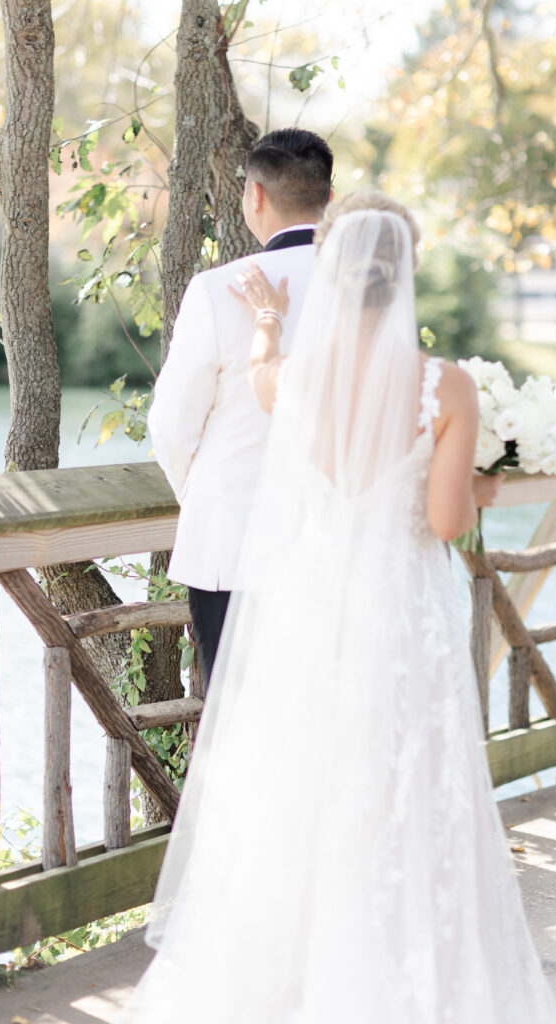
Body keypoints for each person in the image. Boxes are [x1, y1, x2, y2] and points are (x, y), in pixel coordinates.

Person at [125, 193, 556, 1022]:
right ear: (409, 272)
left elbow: (261, 382)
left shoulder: (296, 376)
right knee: (405, 776)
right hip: (402, 604)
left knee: (302, 777)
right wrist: (480, 487)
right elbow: (442, 523)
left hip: (311, 596)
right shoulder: (445, 386)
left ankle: (289, 969)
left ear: (330, 270)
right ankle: (392, 961)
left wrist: (264, 323)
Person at [147, 127, 334, 686]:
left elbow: (173, 425)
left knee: (236, 726)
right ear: (328, 196)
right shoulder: (369, 287)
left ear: (254, 195)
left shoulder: (216, 289)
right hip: (336, 546)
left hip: (235, 544)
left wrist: (205, 496)